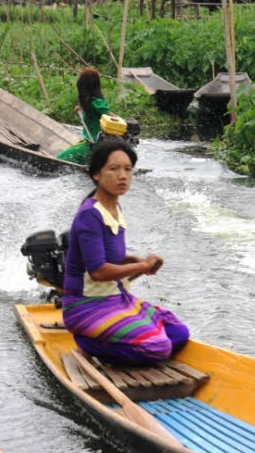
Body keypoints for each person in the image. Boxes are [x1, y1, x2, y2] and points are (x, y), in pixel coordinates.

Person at [61, 139, 189, 366]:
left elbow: (114, 259)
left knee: (179, 333)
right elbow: (99, 271)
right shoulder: (89, 215)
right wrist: (142, 267)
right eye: (114, 169)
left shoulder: (114, 208)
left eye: (128, 169)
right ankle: (87, 341)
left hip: (117, 299)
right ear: (96, 175)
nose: (123, 176)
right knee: (159, 346)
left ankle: (120, 341)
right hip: (86, 305)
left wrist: (139, 262)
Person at [57, 68, 112, 164]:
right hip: (94, 144)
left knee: (61, 157)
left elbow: (111, 115)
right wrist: (81, 109)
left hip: (92, 146)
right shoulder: (92, 102)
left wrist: (123, 122)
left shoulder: (95, 103)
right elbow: (94, 112)